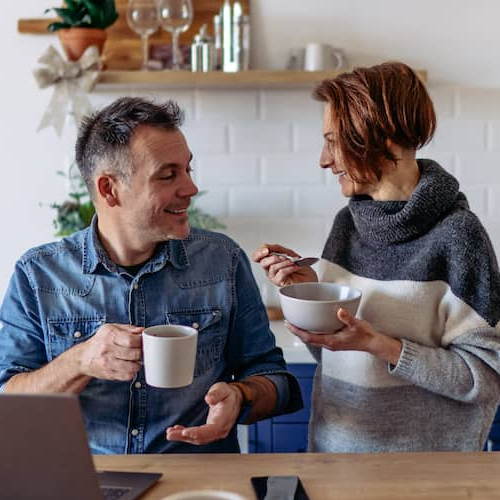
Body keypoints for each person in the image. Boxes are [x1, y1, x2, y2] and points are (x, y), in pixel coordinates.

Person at [0, 97, 302, 454]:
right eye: (168, 174)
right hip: (87, 482)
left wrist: (241, 395)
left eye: (189, 169)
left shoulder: (223, 261)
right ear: (109, 189)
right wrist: (79, 360)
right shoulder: (39, 275)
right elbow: (10, 404)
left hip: (199, 484)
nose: (190, 188)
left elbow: (277, 382)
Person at [253, 61, 500, 452]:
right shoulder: (347, 225)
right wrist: (310, 296)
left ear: (382, 139)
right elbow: (331, 353)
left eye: (333, 141)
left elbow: (486, 380)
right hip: (333, 463)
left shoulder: (459, 237)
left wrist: (381, 344)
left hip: (424, 478)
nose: (323, 159)